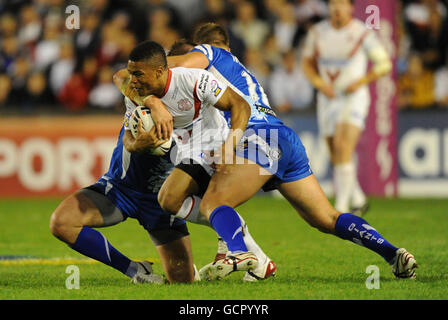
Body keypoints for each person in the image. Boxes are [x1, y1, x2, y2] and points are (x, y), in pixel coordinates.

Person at [123, 39, 418, 281]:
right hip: (282, 136)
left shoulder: (204, 58)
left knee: (214, 202)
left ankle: (243, 251)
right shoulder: (233, 70)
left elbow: (137, 73)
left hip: (258, 136)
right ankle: (394, 254)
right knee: (325, 219)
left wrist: (228, 143)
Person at [121, 39, 276, 282]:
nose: (133, 80)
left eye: (138, 74)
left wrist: (229, 146)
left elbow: (240, 105)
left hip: (214, 145)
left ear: (160, 71)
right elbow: (128, 140)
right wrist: (142, 143)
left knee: (181, 199)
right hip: (186, 153)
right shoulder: (136, 95)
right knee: (175, 202)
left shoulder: (191, 80)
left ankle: (239, 248)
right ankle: (255, 256)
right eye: (131, 74)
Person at [49, 73, 199, 284]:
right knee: (62, 223)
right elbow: (119, 76)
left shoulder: (199, 111)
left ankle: (192, 267)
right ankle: (134, 269)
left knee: (183, 281)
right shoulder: (140, 94)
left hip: (162, 201)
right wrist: (152, 103)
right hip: (119, 189)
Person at [301, 0, 393, 216]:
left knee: (343, 146)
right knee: (334, 150)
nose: (337, 9)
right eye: (334, 4)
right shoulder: (317, 32)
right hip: (327, 97)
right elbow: (306, 62)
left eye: (342, 4)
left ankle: (341, 208)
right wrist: (319, 84)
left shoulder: (362, 33)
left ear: (351, 8)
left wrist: (360, 82)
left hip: (353, 97)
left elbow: (384, 64)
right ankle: (359, 198)